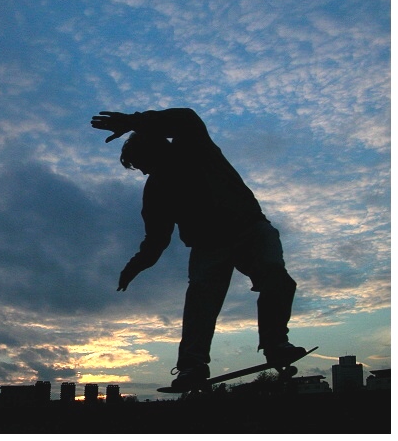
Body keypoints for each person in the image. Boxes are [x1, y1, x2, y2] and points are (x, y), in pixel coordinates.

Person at [91, 107, 305, 391]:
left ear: (154, 151)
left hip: (249, 229)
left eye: (143, 164)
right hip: (209, 244)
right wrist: (135, 266)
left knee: (275, 277)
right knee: (201, 301)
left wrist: (133, 121)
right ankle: (192, 366)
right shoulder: (156, 190)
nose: (143, 172)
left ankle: (275, 343)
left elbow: (184, 117)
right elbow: (156, 239)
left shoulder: (193, 145)